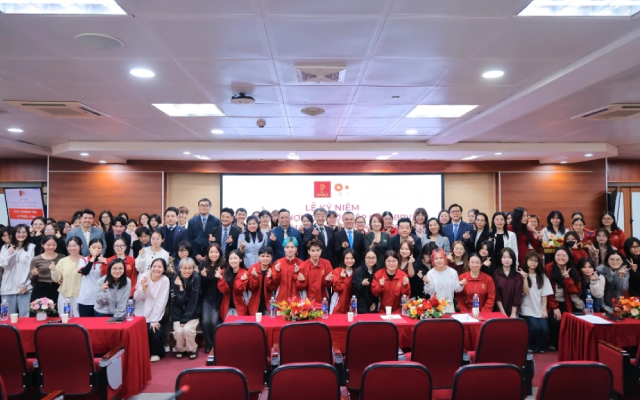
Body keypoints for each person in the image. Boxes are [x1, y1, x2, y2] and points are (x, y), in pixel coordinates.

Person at [545, 247, 581, 351]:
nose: (561, 258)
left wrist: (567, 279)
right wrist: (554, 307)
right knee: (554, 321)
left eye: (564, 255)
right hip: (552, 301)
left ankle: (566, 344)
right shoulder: (548, 268)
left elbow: (576, 291)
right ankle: (553, 343)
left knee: (568, 321)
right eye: (558, 255)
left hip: (568, 301)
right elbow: (546, 290)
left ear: (569, 257)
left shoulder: (573, 270)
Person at [134, 258, 170, 362]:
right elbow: (137, 297)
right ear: (150, 267)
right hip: (141, 310)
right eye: (154, 266)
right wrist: (144, 289)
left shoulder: (165, 280)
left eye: (160, 267)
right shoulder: (143, 276)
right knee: (142, 330)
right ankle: (143, 353)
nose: (156, 269)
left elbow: (161, 301)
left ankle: (156, 352)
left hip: (156, 312)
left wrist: (154, 320)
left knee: (154, 329)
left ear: (164, 269)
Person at [519, 251, 553, 354]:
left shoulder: (542, 276)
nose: (533, 263)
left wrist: (544, 310)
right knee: (534, 327)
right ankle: (531, 347)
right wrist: (525, 278)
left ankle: (541, 346)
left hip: (539, 308)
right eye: (531, 260)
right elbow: (525, 292)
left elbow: (544, 294)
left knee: (544, 329)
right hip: (527, 308)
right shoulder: (522, 275)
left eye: (536, 261)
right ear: (526, 261)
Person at [0, 224, 35, 317]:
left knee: (25, 316)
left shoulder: (32, 247)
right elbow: (5, 266)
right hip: (7, 287)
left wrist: (24, 284)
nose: (21, 234)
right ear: (14, 233)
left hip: (25, 288)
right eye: (18, 232)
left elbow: (30, 268)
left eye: (24, 232)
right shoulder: (5, 248)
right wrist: (10, 253)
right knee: (7, 317)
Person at [171, 257, 201, 360]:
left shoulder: (196, 278)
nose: (187, 271)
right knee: (179, 331)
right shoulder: (174, 279)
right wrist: (180, 288)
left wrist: (185, 319)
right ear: (180, 268)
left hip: (192, 312)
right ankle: (180, 349)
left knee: (187, 330)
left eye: (190, 268)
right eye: (184, 268)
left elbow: (193, 300)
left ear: (193, 268)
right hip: (178, 313)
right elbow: (178, 301)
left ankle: (192, 349)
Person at [199, 243, 225, 353]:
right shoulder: (203, 265)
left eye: (216, 252)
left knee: (214, 321)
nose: (213, 254)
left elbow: (224, 285)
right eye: (211, 252)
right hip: (205, 298)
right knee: (205, 321)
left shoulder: (223, 265)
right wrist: (203, 277)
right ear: (207, 254)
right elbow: (201, 286)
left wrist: (220, 277)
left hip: (218, 298)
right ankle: (208, 344)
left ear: (220, 253)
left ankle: (215, 344)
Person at [50, 237, 83, 317]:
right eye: (69, 246)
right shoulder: (63, 261)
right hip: (64, 295)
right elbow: (56, 279)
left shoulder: (85, 260)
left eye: (74, 246)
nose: (72, 248)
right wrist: (53, 270)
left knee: (79, 319)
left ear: (81, 246)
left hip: (80, 296)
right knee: (64, 319)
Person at [423, 248, 462, 313]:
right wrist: (427, 283)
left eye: (441, 258)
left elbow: (456, 289)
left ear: (445, 258)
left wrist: (461, 284)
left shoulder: (453, 272)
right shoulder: (430, 273)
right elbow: (428, 291)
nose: (439, 260)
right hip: (435, 306)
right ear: (433, 260)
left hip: (449, 305)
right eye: (436, 259)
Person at [266, 238, 303, 302]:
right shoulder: (277, 263)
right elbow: (274, 284)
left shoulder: (301, 264)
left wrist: (297, 274)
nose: (290, 249)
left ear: (296, 248)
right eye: (287, 247)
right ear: (284, 248)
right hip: (281, 299)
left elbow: (303, 286)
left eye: (292, 247)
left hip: (297, 301)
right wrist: (277, 272)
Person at [77, 239, 107, 317]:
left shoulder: (105, 261)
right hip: (85, 297)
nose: (96, 250)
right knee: (85, 321)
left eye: (99, 248)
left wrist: (105, 264)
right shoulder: (83, 259)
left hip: (100, 297)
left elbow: (107, 277)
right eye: (94, 247)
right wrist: (92, 258)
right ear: (89, 248)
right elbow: (85, 272)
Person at [29, 235, 64, 302]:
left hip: (56, 288)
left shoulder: (62, 257)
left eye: (54, 245)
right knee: (39, 307)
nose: (51, 247)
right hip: (40, 288)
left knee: (56, 308)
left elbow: (65, 273)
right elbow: (31, 278)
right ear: (42, 245)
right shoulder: (36, 259)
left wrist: (62, 279)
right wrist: (35, 274)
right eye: (48, 245)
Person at [297, 239, 333, 304]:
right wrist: (302, 282)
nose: (315, 253)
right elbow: (299, 287)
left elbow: (330, 284)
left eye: (317, 250)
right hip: (308, 302)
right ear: (308, 251)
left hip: (324, 301)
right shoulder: (303, 266)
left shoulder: (327, 263)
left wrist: (327, 281)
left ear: (321, 250)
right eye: (313, 251)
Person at [188, 198, 222, 262]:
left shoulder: (216, 221)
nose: (203, 207)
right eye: (201, 205)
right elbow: (189, 239)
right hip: (195, 255)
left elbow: (218, 239)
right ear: (198, 207)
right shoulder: (192, 221)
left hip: (211, 255)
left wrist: (209, 254)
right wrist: (196, 254)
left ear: (210, 207)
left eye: (206, 205)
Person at [217, 250, 249, 318]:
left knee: (239, 323)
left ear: (240, 259)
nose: (233, 261)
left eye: (235, 258)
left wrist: (242, 280)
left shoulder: (245, 273)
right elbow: (223, 290)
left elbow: (238, 289)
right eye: (231, 259)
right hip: (227, 306)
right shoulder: (224, 271)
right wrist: (221, 278)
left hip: (240, 307)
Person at [493, 248, 523, 318]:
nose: (507, 260)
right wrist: (503, 313)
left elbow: (517, 296)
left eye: (509, 257)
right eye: (504, 257)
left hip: (514, 310)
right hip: (498, 310)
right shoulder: (496, 273)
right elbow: (497, 295)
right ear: (500, 259)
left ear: (513, 259)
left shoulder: (517, 275)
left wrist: (513, 313)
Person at [247, 246, 274, 316]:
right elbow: (251, 288)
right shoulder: (252, 269)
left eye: (268, 256)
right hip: (254, 302)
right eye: (263, 256)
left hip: (268, 303)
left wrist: (269, 278)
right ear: (258, 257)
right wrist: (255, 277)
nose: (265, 258)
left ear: (271, 258)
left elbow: (272, 288)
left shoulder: (273, 269)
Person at [330, 249, 356, 314]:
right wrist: (341, 278)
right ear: (343, 259)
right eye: (347, 258)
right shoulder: (337, 271)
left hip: (350, 307)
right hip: (337, 306)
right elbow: (337, 288)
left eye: (352, 258)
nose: (349, 260)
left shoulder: (356, 272)